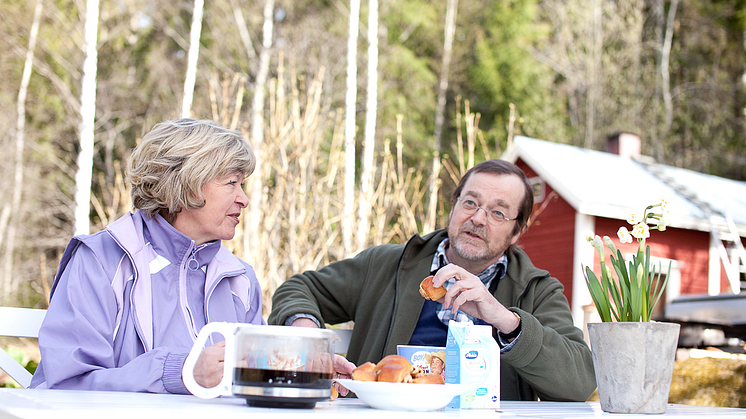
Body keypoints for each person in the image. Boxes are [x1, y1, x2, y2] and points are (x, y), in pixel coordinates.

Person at [30, 118, 354, 393]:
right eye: (232, 183)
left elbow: (250, 378)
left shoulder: (239, 279)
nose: (244, 199)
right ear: (187, 183)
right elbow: (65, 384)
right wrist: (181, 372)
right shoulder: (102, 260)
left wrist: (307, 372)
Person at [268, 159, 596, 401]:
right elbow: (299, 288)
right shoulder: (387, 264)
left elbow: (579, 382)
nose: (478, 218)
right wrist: (306, 334)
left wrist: (505, 320)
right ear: (453, 207)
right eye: (470, 202)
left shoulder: (537, 290)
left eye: (498, 213)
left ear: (517, 231)